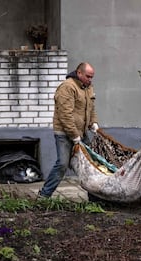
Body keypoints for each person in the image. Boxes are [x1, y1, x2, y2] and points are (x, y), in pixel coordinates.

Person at [39, 62, 99, 198]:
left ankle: (95, 198)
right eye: (88, 76)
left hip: (81, 132)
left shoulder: (88, 87)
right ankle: (44, 195)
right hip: (64, 133)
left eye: (92, 77)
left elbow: (91, 107)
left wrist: (93, 123)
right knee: (62, 164)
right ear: (79, 73)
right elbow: (65, 115)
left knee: (90, 165)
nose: (90, 80)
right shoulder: (67, 87)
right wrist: (74, 136)